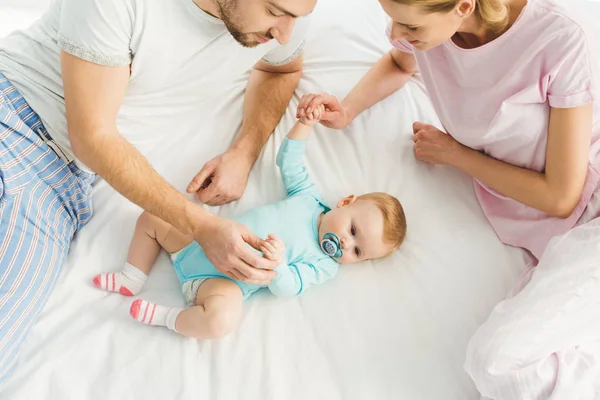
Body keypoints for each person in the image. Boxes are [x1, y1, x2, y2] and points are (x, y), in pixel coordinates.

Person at [0, 0, 318, 383]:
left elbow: (282, 68)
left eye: (296, 17)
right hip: (16, 120)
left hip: (64, 185)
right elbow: (92, 138)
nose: (284, 32)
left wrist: (244, 152)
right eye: (273, 11)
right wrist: (202, 228)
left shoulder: (288, 14)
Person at [296, 0, 600, 398]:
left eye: (407, 25)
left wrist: (457, 155)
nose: (395, 33)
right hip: (551, 237)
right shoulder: (429, 34)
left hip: (587, 213)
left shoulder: (562, 37)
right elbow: (400, 64)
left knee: (495, 361)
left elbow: (562, 196)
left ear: (463, 6)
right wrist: (348, 109)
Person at [92, 104, 407, 339]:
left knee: (222, 322)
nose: (346, 245)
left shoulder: (323, 265)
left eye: (357, 252)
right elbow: (289, 161)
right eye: (353, 231)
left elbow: (289, 288)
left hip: (223, 284)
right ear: (345, 202)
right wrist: (305, 125)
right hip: (197, 243)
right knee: (153, 216)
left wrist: (277, 264)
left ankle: (167, 317)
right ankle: (131, 277)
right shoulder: (307, 199)